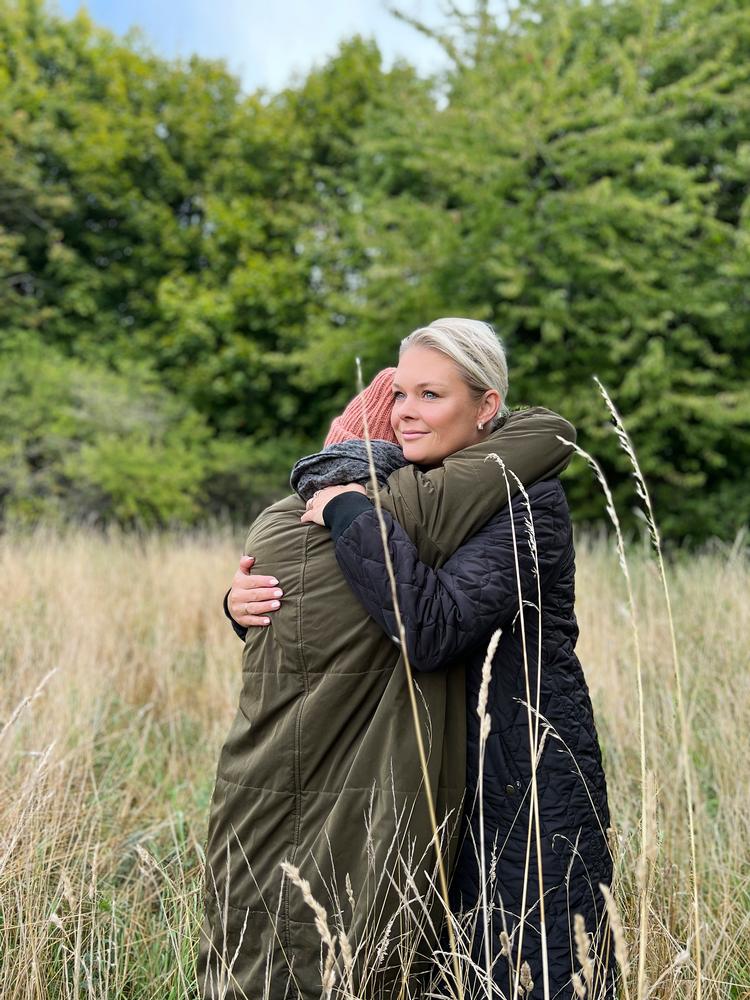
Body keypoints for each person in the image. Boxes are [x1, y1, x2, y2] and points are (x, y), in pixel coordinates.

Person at [227, 318, 614, 999]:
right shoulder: (413, 493)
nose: (406, 411)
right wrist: (241, 605)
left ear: (485, 406)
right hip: (421, 771)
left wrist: (349, 514)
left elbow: (432, 628)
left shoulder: (524, 500)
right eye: (400, 393)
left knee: (527, 968)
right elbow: (349, 616)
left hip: (511, 775)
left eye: (431, 395)